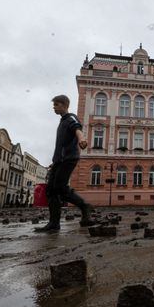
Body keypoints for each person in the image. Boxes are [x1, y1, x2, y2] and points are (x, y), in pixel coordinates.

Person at [37, 94, 94, 232]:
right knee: (50, 190)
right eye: (54, 105)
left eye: (56, 104)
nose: (54, 107)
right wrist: (54, 161)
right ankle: (54, 223)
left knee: (61, 189)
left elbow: (77, 129)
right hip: (59, 160)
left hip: (69, 158)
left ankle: (84, 206)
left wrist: (82, 140)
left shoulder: (71, 118)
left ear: (64, 105)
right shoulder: (62, 121)